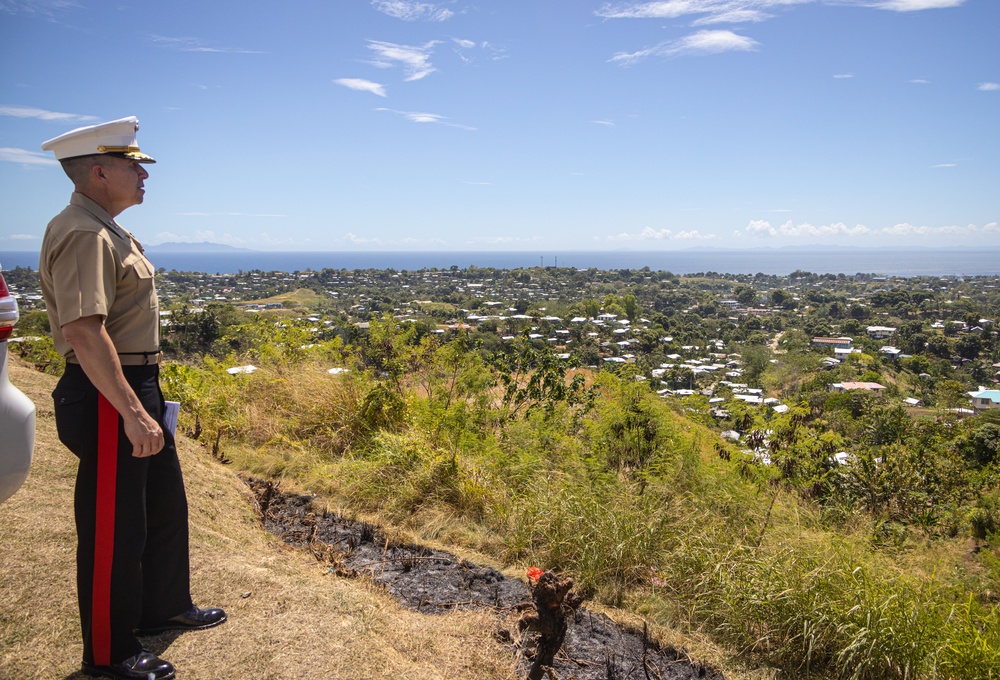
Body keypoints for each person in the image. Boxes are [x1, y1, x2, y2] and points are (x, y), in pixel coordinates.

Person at [39, 117, 226, 680]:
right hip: (106, 391)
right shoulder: (83, 233)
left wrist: (145, 401)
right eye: (131, 164)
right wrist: (132, 411)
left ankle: (163, 605)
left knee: (162, 505)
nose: (143, 174)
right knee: (113, 526)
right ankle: (109, 653)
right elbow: (84, 332)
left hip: (135, 382)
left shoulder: (109, 229)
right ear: (98, 171)